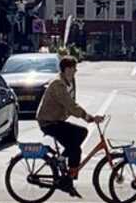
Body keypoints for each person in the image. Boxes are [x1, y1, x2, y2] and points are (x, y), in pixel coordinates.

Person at [35, 54, 95, 191]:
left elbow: (72, 102)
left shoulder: (70, 81)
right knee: (76, 146)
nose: (75, 71)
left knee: (78, 140)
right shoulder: (58, 83)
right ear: (67, 69)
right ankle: (65, 174)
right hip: (48, 121)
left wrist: (83, 115)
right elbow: (69, 104)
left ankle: (66, 172)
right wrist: (87, 116)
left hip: (57, 120)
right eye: (74, 68)